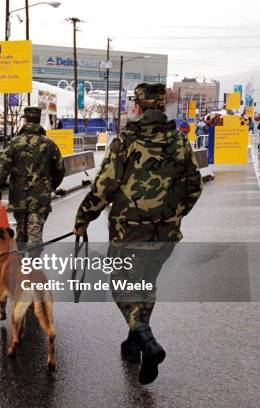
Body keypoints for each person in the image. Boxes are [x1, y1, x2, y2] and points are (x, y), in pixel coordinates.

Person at [73, 83, 202, 385]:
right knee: (145, 285)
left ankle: (146, 341)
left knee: (121, 285)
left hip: (128, 231)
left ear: (139, 107)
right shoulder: (181, 142)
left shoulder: (126, 141)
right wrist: (173, 215)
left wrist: (83, 218)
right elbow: (194, 188)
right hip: (165, 235)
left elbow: (104, 186)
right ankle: (134, 344)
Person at [0, 107, 66, 253]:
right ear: (39, 121)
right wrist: (51, 186)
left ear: (25, 120)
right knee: (35, 234)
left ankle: (20, 267)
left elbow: (2, 169)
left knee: (21, 233)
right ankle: (32, 270)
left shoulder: (14, 143)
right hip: (40, 197)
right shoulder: (49, 144)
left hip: (19, 196)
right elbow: (60, 169)